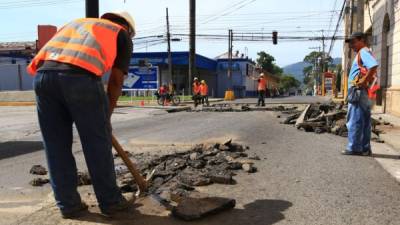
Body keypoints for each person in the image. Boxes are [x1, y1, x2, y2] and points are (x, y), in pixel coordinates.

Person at [27, 11, 136, 218]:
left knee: (55, 145)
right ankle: (111, 202)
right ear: (128, 29)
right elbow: (115, 82)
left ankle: (68, 205)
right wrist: (106, 119)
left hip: (43, 78)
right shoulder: (120, 33)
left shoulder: (77, 23)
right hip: (79, 78)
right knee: (97, 143)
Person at [342, 32, 378, 156]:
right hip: (362, 91)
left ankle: (354, 147)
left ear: (361, 40)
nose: (351, 45)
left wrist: (364, 80)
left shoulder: (363, 52)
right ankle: (364, 148)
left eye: (353, 42)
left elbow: (373, 65)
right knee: (364, 120)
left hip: (357, 91)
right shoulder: (363, 53)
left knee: (354, 119)